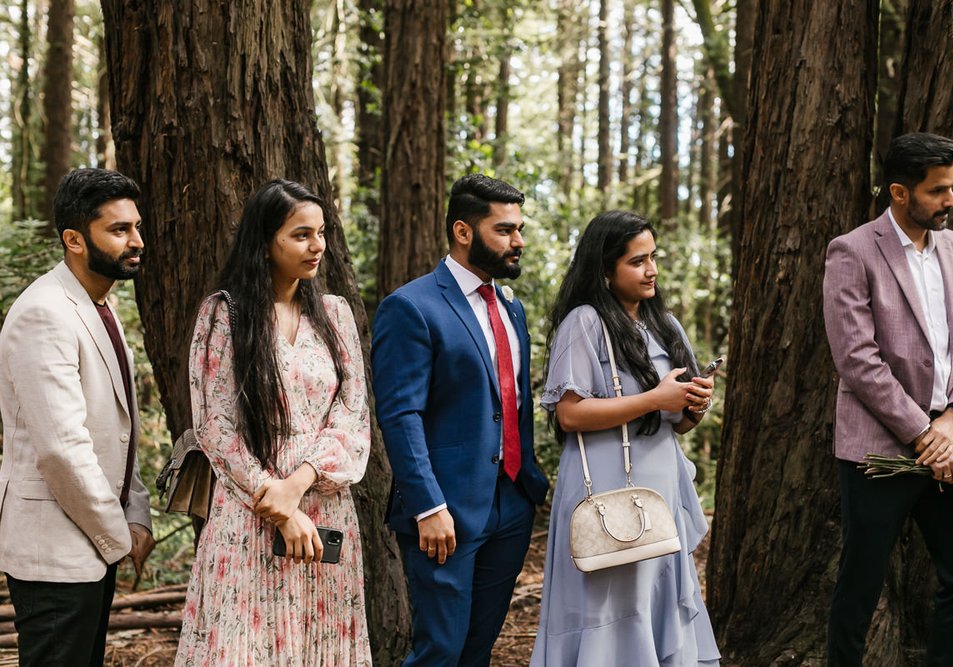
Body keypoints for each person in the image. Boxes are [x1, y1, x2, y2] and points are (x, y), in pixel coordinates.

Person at [174, 180, 372, 666]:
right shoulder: (225, 314)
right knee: (244, 646)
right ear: (265, 242)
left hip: (323, 504)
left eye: (320, 233)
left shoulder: (335, 314)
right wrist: (278, 503)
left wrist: (297, 487)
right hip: (249, 510)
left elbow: (352, 415)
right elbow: (215, 427)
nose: (317, 246)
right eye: (301, 234)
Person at [823, 132, 953, 666]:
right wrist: (924, 435)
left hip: (951, 443)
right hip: (879, 451)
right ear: (900, 192)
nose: (952, 201)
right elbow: (856, 358)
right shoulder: (852, 251)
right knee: (861, 585)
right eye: (939, 190)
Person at [372, 174, 550, 666]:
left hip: (511, 505)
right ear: (463, 231)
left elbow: (513, 403)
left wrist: (526, 488)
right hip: (445, 514)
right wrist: (428, 506)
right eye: (505, 230)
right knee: (440, 651)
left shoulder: (512, 309)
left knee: (477, 648)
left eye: (519, 230)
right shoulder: (411, 306)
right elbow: (400, 414)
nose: (518, 242)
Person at [530, 210, 720, 666]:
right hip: (605, 488)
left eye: (653, 257)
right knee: (609, 603)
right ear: (605, 269)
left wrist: (694, 403)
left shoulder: (666, 325)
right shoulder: (585, 322)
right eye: (637, 261)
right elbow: (570, 413)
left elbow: (675, 422)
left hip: (661, 486)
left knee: (655, 600)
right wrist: (656, 397)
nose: (651, 269)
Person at [0, 168, 154, 667]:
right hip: (55, 554)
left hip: (90, 543)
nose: (137, 241)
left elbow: (120, 429)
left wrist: (137, 513)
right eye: (118, 230)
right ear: (74, 240)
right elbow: (62, 450)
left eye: (136, 226)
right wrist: (118, 535)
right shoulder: (44, 313)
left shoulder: (97, 306)